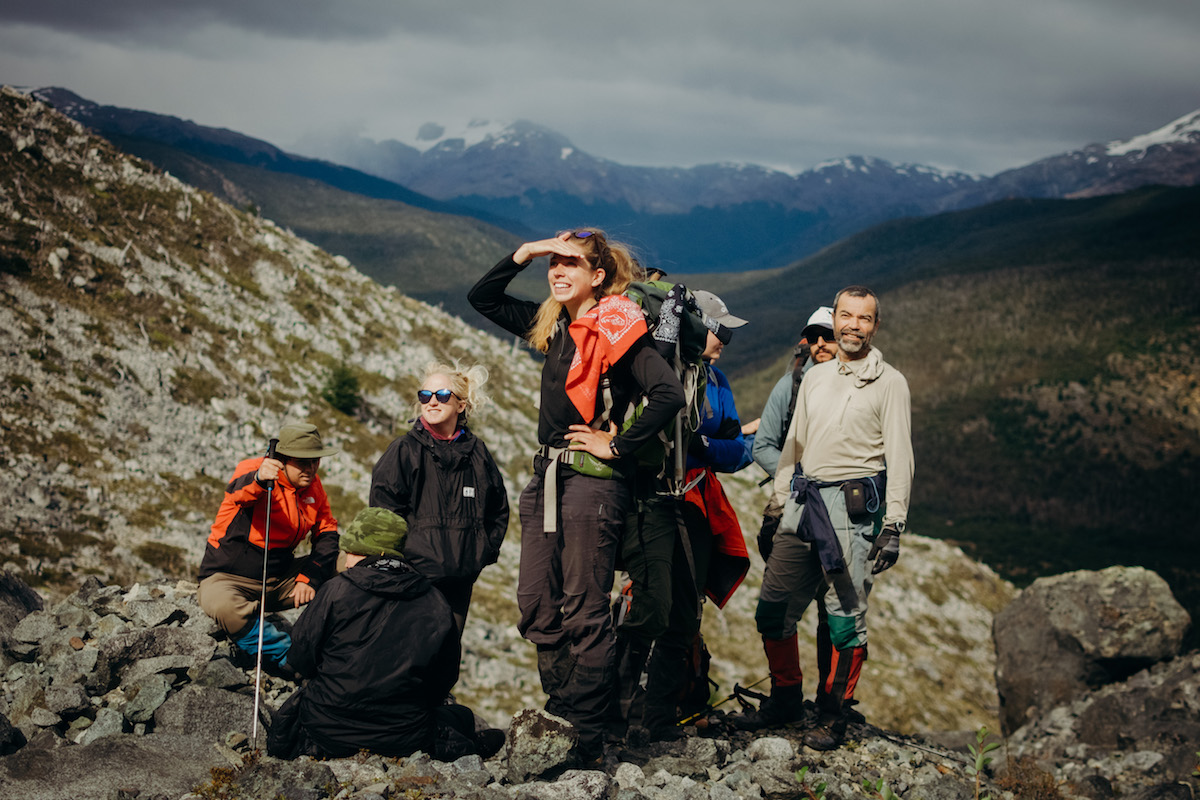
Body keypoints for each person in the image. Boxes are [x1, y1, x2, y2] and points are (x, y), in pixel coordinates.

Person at [467, 228, 685, 763]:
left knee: (585, 609)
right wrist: (527, 251)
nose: (559, 272)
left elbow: (668, 393)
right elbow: (483, 298)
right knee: (537, 605)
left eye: (572, 264)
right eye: (554, 265)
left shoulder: (619, 332)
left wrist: (619, 444)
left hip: (593, 485)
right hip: (546, 480)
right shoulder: (554, 326)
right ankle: (565, 710)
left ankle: (585, 735)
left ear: (599, 276)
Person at [741, 286, 912, 750]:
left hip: (852, 514)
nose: (853, 325)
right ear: (835, 319)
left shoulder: (890, 382)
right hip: (803, 504)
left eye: (864, 318)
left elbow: (900, 458)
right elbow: (793, 445)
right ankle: (786, 700)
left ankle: (833, 716)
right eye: (846, 316)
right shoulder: (815, 377)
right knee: (773, 610)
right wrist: (778, 502)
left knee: (844, 619)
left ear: (875, 326)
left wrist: (893, 526)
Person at [619, 289, 752, 742]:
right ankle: (618, 713)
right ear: (699, 329)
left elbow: (738, 451)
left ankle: (653, 719)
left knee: (683, 615)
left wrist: (704, 447)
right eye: (720, 334)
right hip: (655, 500)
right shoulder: (657, 369)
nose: (723, 344)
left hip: (693, 504)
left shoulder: (717, 383)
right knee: (650, 606)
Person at [266, 507, 505, 761]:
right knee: (462, 716)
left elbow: (300, 657)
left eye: (351, 551)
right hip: (403, 735)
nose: (346, 561)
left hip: (326, 727)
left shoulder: (336, 590)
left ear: (369, 552)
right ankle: (470, 750)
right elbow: (443, 680)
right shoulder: (435, 600)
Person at [736, 305, 839, 732]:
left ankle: (831, 706)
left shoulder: (871, 388)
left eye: (827, 336)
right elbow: (762, 444)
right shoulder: (791, 384)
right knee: (779, 610)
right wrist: (797, 477)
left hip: (842, 517)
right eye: (813, 336)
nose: (819, 344)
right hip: (795, 513)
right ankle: (789, 699)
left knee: (836, 613)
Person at [369, 362, 509, 635]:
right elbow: (382, 514)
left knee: (445, 661)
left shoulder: (478, 453)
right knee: (409, 657)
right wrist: (398, 567)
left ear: (461, 405)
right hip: (412, 580)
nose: (432, 402)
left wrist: (480, 553)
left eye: (442, 395)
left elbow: (498, 510)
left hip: (460, 583)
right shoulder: (403, 450)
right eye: (425, 396)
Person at [198, 421, 340, 674]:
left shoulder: (313, 486)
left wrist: (311, 576)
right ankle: (287, 656)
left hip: (282, 579)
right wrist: (260, 479)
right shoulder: (255, 471)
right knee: (221, 605)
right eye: (302, 462)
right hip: (228, 579)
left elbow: (327, 532)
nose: (311, 469)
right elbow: (238, 493)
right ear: (282, 459)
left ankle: (350, 641)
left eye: (315, 461)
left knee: (351, 564)